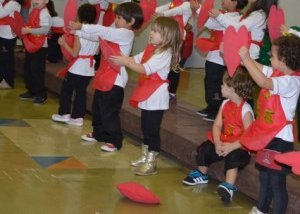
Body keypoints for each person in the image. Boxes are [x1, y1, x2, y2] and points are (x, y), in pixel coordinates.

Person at [111, 16, 182, 176]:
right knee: (145, 126)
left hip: (156, 94)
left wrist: (126, 63)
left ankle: (152, 162)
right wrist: (121, 58)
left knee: (152, 129)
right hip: (147, 92)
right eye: (152, 30)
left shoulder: (165, 52)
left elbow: (145, 68)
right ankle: (144, 156)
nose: (151, 33)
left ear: (166, 35)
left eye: (156, 31)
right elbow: (137, 59)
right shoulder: (152, 48)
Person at [238, 35, 300, 214]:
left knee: (277, 182)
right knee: (264, 176)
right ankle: (261, 209)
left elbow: (263, 82)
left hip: (280, 139)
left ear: (284, 60)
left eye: (272, 55)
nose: (269, 57)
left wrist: (246, 59)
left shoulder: (292, 81)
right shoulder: (277, 72)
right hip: (266, 136)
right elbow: (260, 69)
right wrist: (244, 59)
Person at [70, 2, 143, 151]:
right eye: (116, 17)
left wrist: (82, 27)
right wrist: (78, 33)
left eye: (119, 18)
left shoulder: (126, 34)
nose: (116, 20)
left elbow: (103, 32)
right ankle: (99, 133)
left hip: (115, 79)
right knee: (97, 108)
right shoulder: (115, 29)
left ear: (131, 21)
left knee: (109, 111)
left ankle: (115, 140)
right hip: (103, 75)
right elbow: (98, 36)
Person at [182, 67, 255, 203]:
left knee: (233, 158)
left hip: (240, 146)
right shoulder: (225, 104)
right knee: (204, 148)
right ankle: (202, 174)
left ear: (232, 88)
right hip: (224, 142)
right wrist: (217, 142)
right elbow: (217, 125)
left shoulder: (246, 111)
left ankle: (229, 186)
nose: (220, 86)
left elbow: (249, 137)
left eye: (223, 84)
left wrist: (232, 147)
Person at [192, 0, 249, 121]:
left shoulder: (235, 19)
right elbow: (210, 22)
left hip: (220, 60)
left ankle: (216, 109)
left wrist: (199, 9)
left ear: (234, 2)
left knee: (216, 85)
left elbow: (213, 23)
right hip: (213, 57)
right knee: (209, 82)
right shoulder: (222, 15)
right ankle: (210, 107)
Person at [52, 4, 99, 126]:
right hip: (89, 68)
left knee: (66, 90)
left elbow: (74, 53)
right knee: (81, 92)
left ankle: (64, 113)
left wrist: (63, 43)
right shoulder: (96, 33)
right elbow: (98, 52)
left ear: (80, 15)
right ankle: (78, 117)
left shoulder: (79, 33)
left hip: (77, 67)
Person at [208, 0, 279, 61]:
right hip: (246, 56)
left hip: (249, 57)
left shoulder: (259, 15)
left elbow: (239, 28)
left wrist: (219, 17)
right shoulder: (256, 14)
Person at [154, 0, 199, 103]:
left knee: (174, 67)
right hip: (168, 37)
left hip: (177, 39)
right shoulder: (174, 2)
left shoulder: (187, 5)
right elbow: (164, 7)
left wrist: (163, 14)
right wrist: (151, 10)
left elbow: (174, 11)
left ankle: (172, 93)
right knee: (164, 64)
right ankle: (162, 88)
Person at [19, 0, 52, 105]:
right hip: (32, 45)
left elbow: (45, 30)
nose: (36, 0)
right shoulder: (34, 11)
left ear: (46, 0)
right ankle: (32, 90)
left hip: (39, 47)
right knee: (28, 69)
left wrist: (29, 30)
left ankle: (41, 94)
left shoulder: (44, 13)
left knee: (37, 71)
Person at [0, 0, 25, 89]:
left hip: (8, 36)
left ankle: (9, 81)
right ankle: (2, 78)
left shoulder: (13, 3)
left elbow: (1, 14)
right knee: (2, 58)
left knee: (7, 58)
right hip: (2, 34)